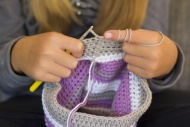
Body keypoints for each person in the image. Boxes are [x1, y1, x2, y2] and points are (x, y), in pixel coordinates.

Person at [0, 0, 187, 127]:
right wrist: (18, 56)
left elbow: (150, 53)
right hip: (35, 102)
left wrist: (167, 62)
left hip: (127, 105)